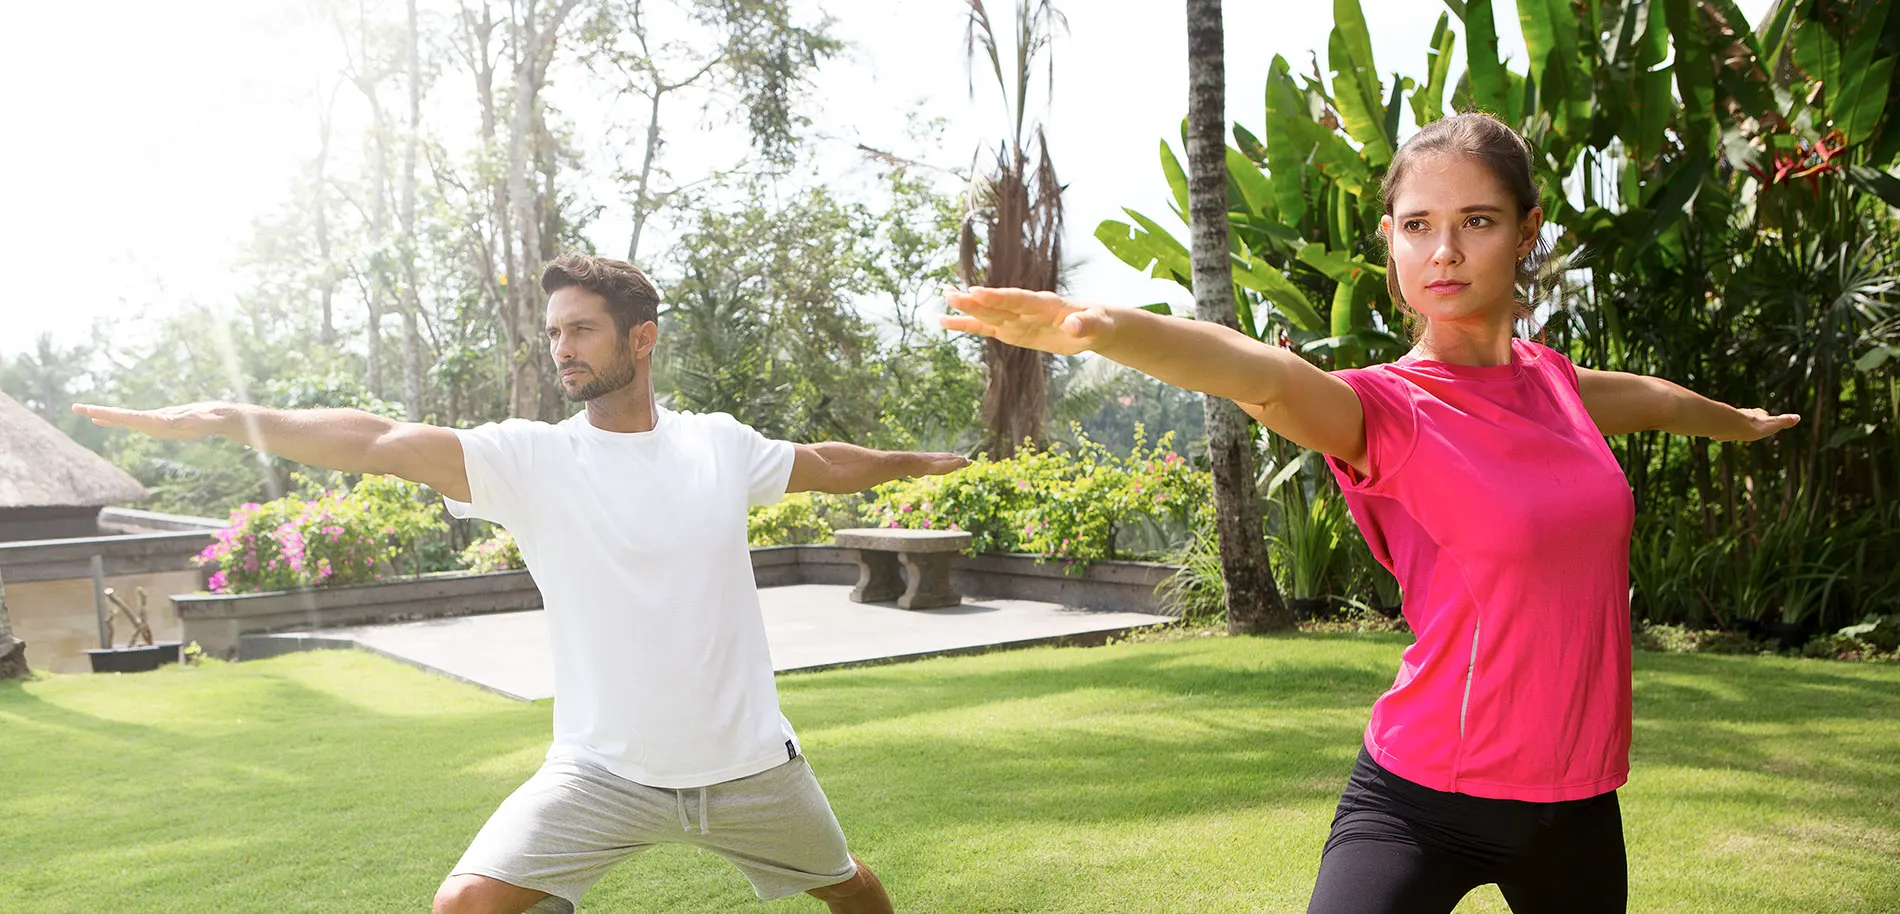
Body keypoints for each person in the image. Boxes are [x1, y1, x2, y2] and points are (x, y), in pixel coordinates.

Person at [939, 112, 1801, 914]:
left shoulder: (1554, 383)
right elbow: (1261, 375)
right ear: (1391, 240)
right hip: (1421, 794)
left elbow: (1650, 399)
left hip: (1575, 802)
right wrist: (1106, 330)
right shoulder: (1383, 411)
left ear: (1527, 231)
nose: (1446, 252)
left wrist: (1735, 422)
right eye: (1419, 226)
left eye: (1478, 221)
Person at [76, 253, 968, 914]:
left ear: (642, 338)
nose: (562, 348)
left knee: (851, 892)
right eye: (554, 332)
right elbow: (377, 440)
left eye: (580, 329)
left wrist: (915, 461)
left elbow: (824, 463)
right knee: (463, 907)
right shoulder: (529, 460)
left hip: (750, 767)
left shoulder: (719, 444)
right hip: (603, 771)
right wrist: (229, 418)